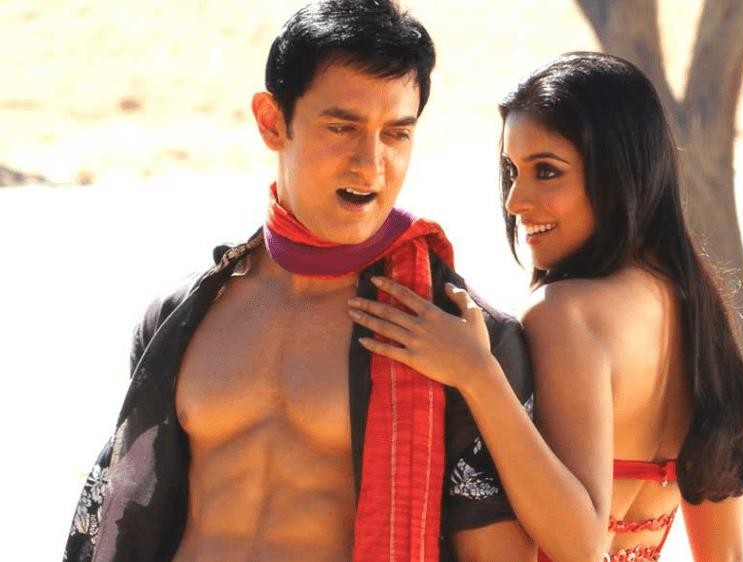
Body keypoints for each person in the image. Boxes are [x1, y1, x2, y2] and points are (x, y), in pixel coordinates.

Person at [63, 2, 537, 561]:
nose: (370, 164)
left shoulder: (458, 336)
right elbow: (126, 507)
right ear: (272, 121)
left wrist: (480, 376)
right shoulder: (179, 316)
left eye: (396, 134)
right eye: (342, 128)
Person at [348, 52, 743, 562]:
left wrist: (478, 375)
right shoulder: (693, 306)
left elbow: (580, 546)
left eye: (546, 171)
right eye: (512, 171)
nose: (515, 200)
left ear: (618, 174)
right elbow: (726, 555)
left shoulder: (565, 314)